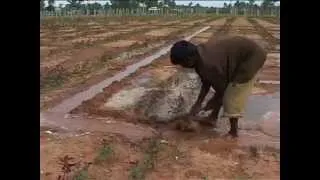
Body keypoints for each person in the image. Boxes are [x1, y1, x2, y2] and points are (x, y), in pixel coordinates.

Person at [170, 36, 267, 138]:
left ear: (189, 58)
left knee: (231, 95)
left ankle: (233, 132)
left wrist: (208, 105)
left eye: (182, 63)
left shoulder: (209, 64)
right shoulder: (198, 56)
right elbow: (206, 82)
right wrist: (198, 103)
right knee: (220, 92)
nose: (183, 66)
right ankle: (212, 118)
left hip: (252, 57)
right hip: (240, 56)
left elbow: (222, 90)